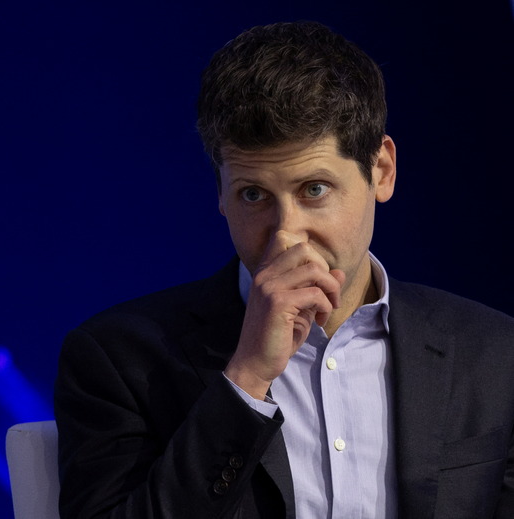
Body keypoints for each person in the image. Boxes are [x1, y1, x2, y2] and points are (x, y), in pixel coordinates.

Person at [53, 21, 514, 518]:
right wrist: (246, 378)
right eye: (253, 195)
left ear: (382, 171)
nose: (285, 236)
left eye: (314, 189)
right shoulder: (117, 359)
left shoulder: (494, 353)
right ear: (221, 193)